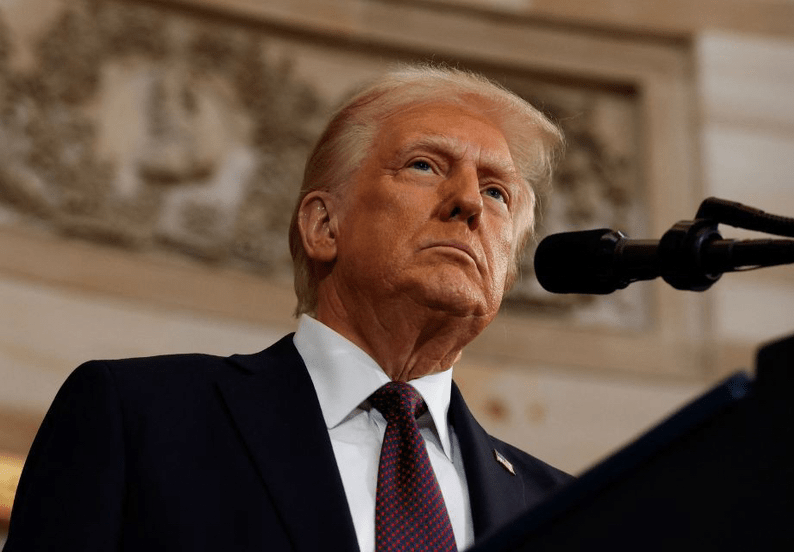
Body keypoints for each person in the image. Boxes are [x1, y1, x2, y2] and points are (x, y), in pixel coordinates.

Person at [5, 65, 573, 551]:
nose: (469, 201)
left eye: (497, 192)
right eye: (424, 165)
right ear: (323, 226)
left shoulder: (562, 510)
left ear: (507, 271)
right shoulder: (140, 418)